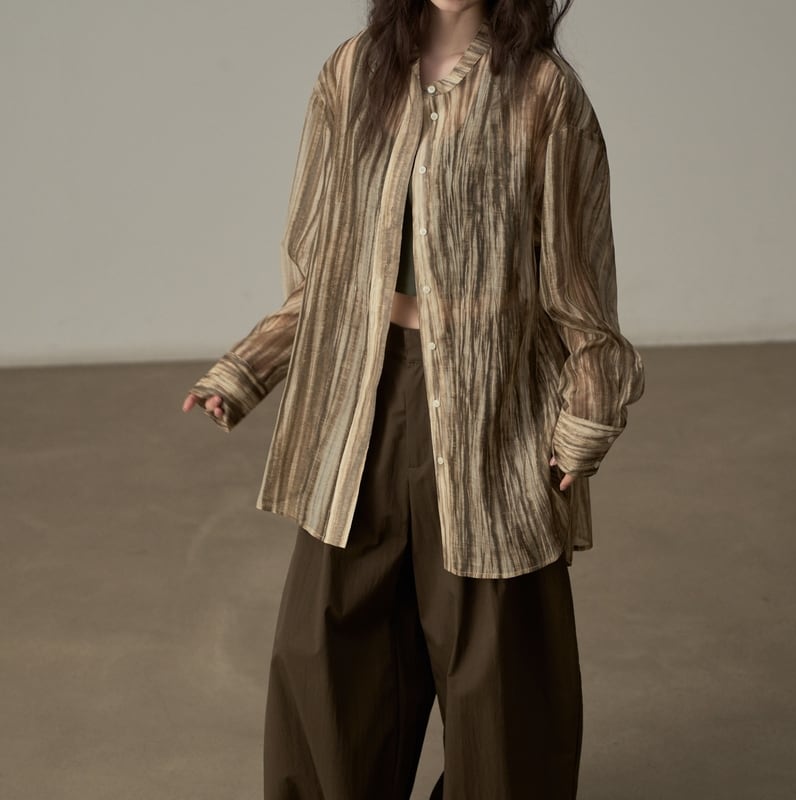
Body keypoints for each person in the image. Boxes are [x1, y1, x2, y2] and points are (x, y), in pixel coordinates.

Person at [182, 1, 645, 797]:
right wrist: (246, 369)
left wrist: (587, 417)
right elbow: (320, 268)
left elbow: (579, 283)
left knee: (498, 668)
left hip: (493, 403)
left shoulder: (542, 92)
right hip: (360, 391)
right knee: (328, 652)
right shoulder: (351, 74)